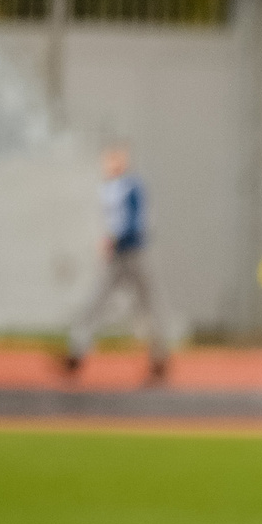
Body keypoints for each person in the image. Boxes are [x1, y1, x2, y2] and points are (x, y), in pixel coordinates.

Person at [63, 142, 171, 380]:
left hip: (134, 254)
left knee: (147, 305)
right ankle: (76, 352)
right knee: (95, 301)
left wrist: (112, 239)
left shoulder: (132, 187)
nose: (109, 164)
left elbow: (136, 223)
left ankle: (159, 357)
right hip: (116, 256)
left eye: (114, 159)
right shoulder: (108, 188)